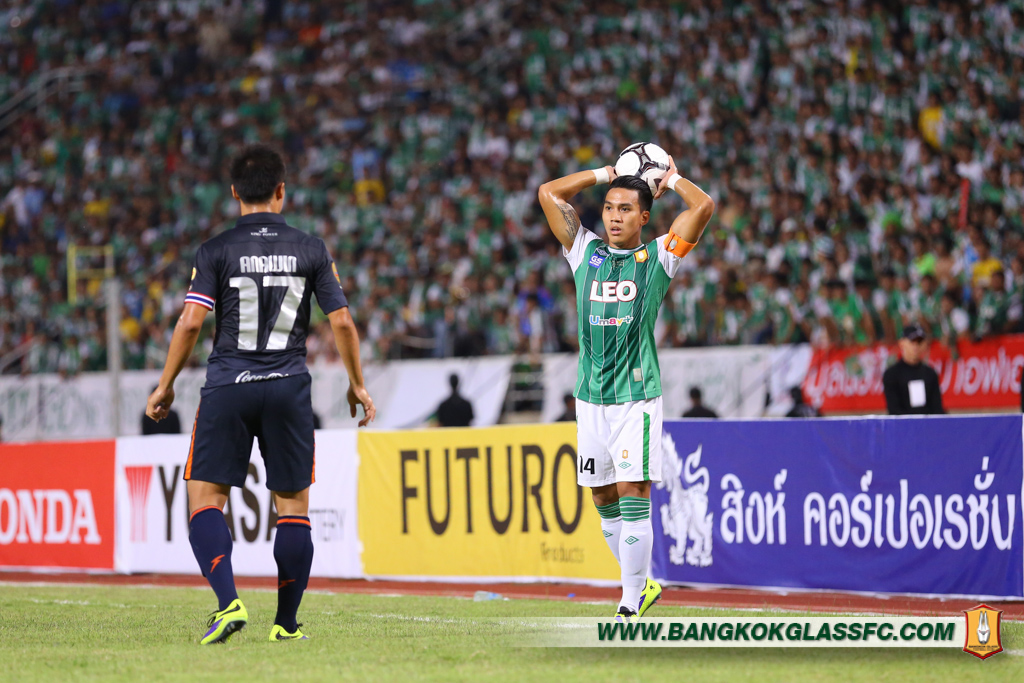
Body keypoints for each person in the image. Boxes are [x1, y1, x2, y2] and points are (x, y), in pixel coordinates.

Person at [145, 145, 375, 645]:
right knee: (293, 509)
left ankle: (228, 603)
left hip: (229, 385)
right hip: (288, 387)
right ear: (281, 190)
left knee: (205, 500)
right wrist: (357, 383)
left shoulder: (215, 250)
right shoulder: (312, 248)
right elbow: (341, 321)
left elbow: (190, 323)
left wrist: (165, 385)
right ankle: (286, 624)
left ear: (234, 193)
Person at [538, 154, 714, 623]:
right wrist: (605, 175)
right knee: (602, 498)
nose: (614, 217)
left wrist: (672, 179)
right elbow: (548, 193)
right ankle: (642, 583)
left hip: (636, 399)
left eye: (625, 209)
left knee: (633, 492)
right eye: (609, 207)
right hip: (589, 398)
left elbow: (703, 207)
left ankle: (629, 601)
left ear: (644, 217)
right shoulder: (584, 250)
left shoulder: (659, 257)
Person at [881, 323, 944, 415]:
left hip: (927, 423)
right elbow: (894, 410)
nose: (916, 345)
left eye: (919, 341)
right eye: (912, 341)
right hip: (903, 424)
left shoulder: (930, 374)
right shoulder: (892, 375)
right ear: (902, 343)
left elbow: (937, 408)